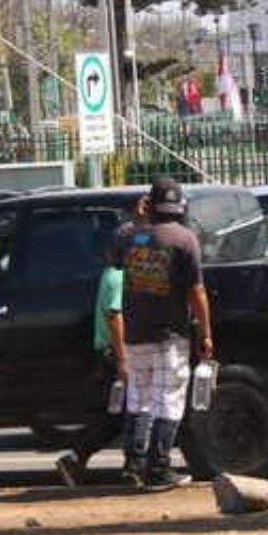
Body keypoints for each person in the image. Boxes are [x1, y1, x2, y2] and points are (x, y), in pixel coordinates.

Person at [118, 178, 214, 492]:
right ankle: (158, 469)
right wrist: (206, 332)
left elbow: (115, 253)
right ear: (179, 206)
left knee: (139, 399)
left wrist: (138, 219)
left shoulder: (130, 236)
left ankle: (133, 464)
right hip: (170, 333)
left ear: (150, 204)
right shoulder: (185, 239)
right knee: (168, 401)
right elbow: (196, 291)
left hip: (134, 332)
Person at [56, 198, 149, 487]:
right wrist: (123, 358)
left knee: (121, 414)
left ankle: (87, 459)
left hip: (112, 353)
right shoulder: (119, 277)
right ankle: (127, 465)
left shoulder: (113, 273)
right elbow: (114, 315)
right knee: (131, 410)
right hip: (116, 354)